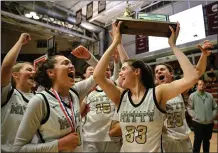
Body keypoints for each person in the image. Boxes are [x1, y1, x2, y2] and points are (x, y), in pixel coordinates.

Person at [93, 21, 200, 152]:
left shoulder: (157, 93)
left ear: (137, 72)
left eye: (123, 69)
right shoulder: (120, 96)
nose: (119, 72)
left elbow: (192, 78)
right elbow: (98, 75)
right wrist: (115, 42)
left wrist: (173, 45)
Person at [12, 53, 97, 152]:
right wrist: (58, 145)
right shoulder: (40, 100)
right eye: (65, 63)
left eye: (71, 64)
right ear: (51, 73)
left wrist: (89, 57)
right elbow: (18, 149)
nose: (72, 66)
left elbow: (101, 73)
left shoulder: (74, 91)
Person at [154, 39, 213, 152]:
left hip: (184, 139)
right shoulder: (155, 92)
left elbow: (197, 73)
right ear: (156, 79)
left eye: (162, 70)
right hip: (166, 141)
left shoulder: (180, 90)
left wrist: (203, 55)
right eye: (156, 72)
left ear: (171, 74)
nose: (159, 72)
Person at [1, 33, 37, 152]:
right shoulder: (8, 94)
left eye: (34, 70)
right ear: (16, 74)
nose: (33, 72)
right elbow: (6, 67)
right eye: (29, 70)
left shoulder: (39, 98)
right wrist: (20, 42)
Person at [188, 79, 218, 153]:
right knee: (197, 141)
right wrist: (195, 116)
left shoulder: (210, 96)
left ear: (205, 86)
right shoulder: (192, 96)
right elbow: (189, 108)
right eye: (199, 84)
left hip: (209, 123)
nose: (201, 86)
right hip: (198, 123)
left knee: (206, 141)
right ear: (197, 86)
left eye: (203, 84)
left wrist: (212, 116)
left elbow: (215, 107)